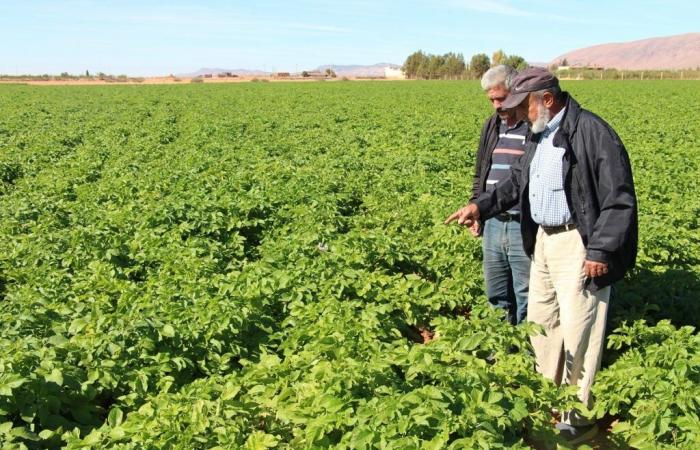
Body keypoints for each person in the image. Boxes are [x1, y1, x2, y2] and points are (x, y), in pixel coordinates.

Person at [445, 67, 637, 444]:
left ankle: (576, 418)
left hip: (577, 243)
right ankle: (547, 397)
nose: (516, 113)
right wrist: (481, 207)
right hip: (544, 241)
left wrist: (600, 249)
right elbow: (516, 183)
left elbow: (619, 200)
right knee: (542, 321)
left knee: (580, 331)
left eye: (523, 105)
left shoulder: (593, 133)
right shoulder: (539, 134)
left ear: (545, 100)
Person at [471, 65, 530, 325]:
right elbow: (481, 171)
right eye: (491, 100)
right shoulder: (492, 125)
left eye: (501, 98)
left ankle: (529, 357)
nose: (496, 105)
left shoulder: (534, 126)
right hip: (493, 222)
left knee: (527, 294)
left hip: (523, 224)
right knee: (496, 294)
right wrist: (477, 207)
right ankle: (500, 355)